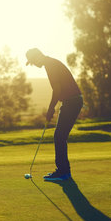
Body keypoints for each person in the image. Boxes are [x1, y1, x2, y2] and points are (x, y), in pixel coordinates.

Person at [26, 48, 83, 181]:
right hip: (72, 101)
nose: (34, 64)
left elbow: (57, 90)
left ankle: (63, 172)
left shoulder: (50, 65)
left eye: (33, 61)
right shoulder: (50, 63)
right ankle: (63, 171)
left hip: (72, 101)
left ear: (37, 57)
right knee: (60, 136)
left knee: (59, 136)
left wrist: (51, 109)